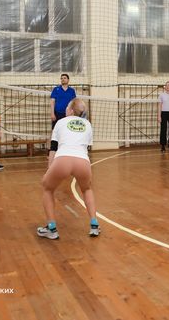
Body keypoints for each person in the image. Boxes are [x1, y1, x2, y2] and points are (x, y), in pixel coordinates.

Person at [37, 98, 99, 240]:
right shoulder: (88, 124)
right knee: (87, 189)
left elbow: (53, 148)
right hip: (82, 161)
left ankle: (51, 228)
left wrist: (49, 170)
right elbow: (85, 146)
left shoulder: (60, 122)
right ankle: (94, 225)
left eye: (67, 107)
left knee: (47, 188)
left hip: (63, 159)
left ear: (70, 110)